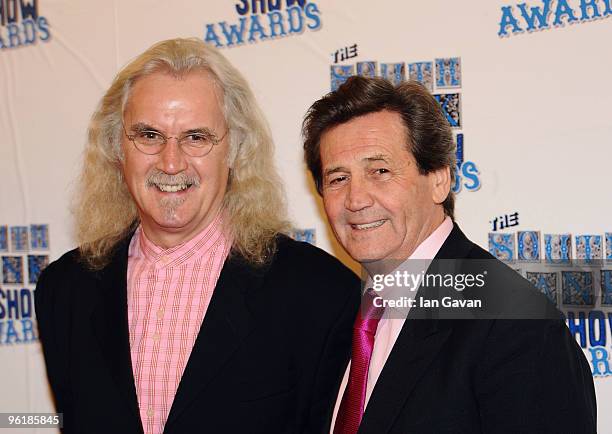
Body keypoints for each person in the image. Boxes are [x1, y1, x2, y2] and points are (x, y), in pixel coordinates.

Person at [35, 38, 360, 434]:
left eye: (196, 137)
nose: (171, 162)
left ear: (235, 150)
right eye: (149, 135)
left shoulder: (320, 293)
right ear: (116, 147)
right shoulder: (64, 289)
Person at [302, 76, 597, 434]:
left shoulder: (514, 326)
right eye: (338, 179)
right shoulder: (340, 318)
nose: (356, 199)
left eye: (379, 171)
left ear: (440, 178)